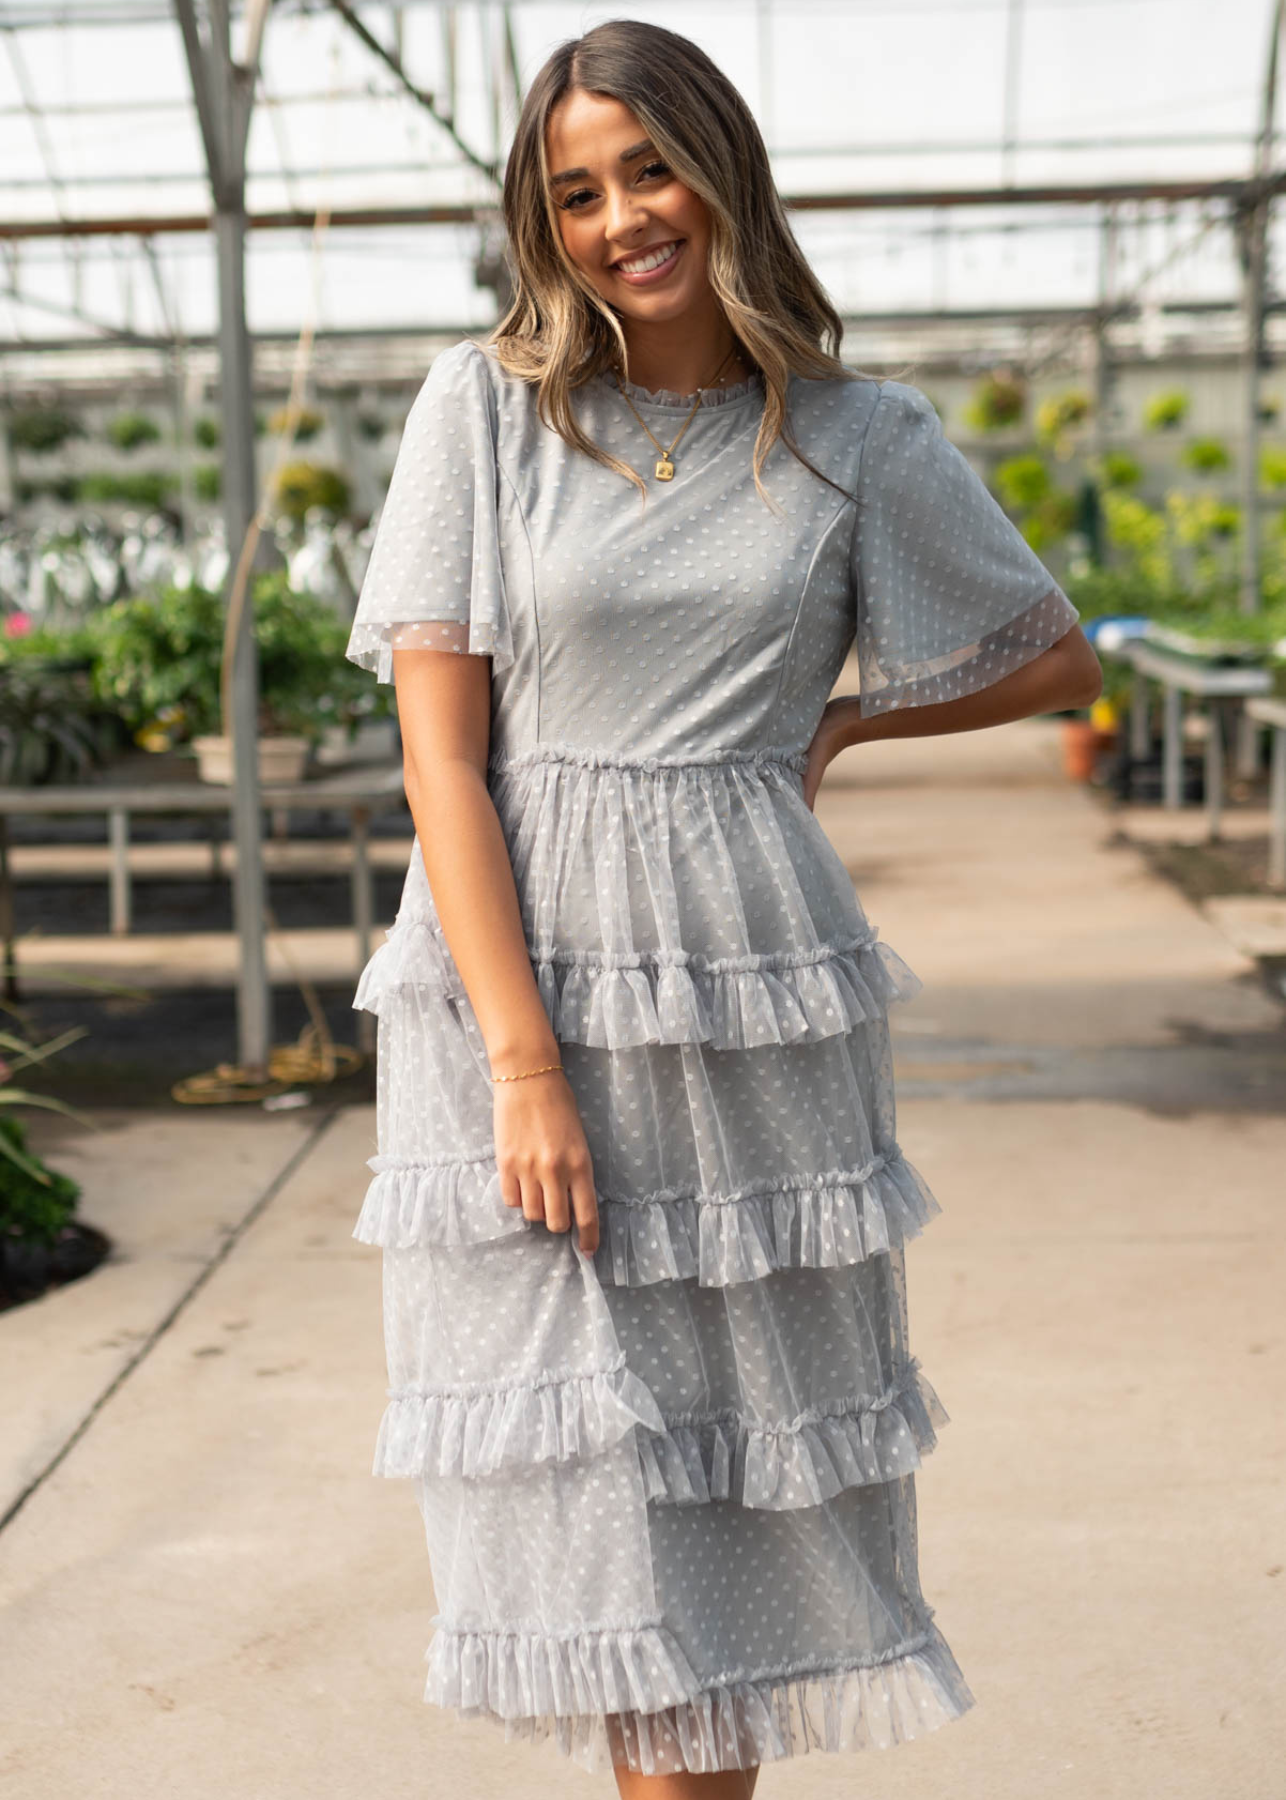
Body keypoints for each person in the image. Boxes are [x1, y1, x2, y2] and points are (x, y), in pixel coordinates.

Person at [345, 18, 1102, 1799]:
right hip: (520, 996)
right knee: (600, 1499)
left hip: (750, 991)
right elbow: (442, 765)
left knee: (726, 1485)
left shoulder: (855, 435)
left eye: (650, 167)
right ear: (544, 223)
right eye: (576, 190)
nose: (622, 218)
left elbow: (1047, 654)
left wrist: (838, 716)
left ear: (722, 169)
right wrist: (522, 1067)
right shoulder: (487, 411)